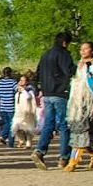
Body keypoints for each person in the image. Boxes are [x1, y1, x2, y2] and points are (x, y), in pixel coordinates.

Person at [32, 32, 75, 170]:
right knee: (64, 125)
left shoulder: (45, 55)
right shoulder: (64, 54)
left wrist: (39, 88)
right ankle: (63, 157)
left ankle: (39, 151)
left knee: (48, 124)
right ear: (65, 43)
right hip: (60, 92)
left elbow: (37, 73)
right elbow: (69, 71)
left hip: (47, 93)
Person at [64, 42, 93, 171]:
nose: (83, 51)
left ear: (92, 50)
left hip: (85, 101)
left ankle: (73, 161)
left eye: (86, 48)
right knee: (77, 129)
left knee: (81, 129)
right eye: (81, 49)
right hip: (75, 100)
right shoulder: (79, 63)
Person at [0, 67, 18, 147]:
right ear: (10, 73)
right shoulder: (13, 83)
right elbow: (17, 91)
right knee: (12, 124)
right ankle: (8, 140)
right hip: (11, 106)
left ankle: (5, 137)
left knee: (6, 123)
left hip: (2, 106)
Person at [11, 75, 38, 148]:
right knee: (15, 126)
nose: (21, 82)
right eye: (20, 80)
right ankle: (21, 139)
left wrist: (23, 90)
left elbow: (28, 97)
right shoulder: (17, 91)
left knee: (28, 128)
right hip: (18, 112)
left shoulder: (30, 90)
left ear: (27, 82)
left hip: (27, 112)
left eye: (23, 80)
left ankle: (28, 143)